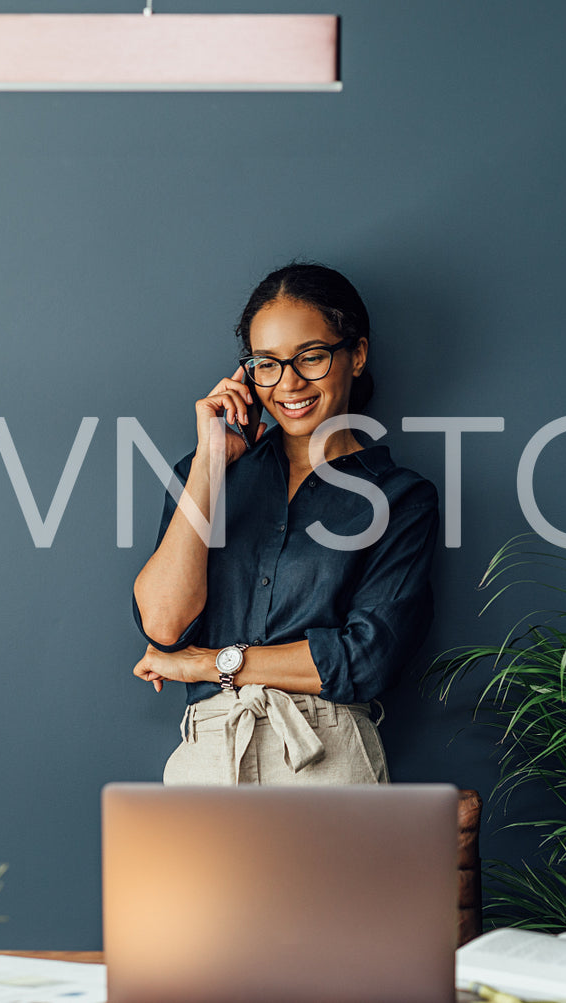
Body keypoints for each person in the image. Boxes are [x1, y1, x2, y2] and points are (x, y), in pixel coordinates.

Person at [130, 262, 440, 785]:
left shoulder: (400, 498)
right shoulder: (204, 474)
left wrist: (208, 664)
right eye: (266, 364)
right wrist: (210, 462)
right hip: (209, 757)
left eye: (311, 358)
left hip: (327, 755)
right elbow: (163, 628)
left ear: (356, 354)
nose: (289, 383)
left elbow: (364, 659)